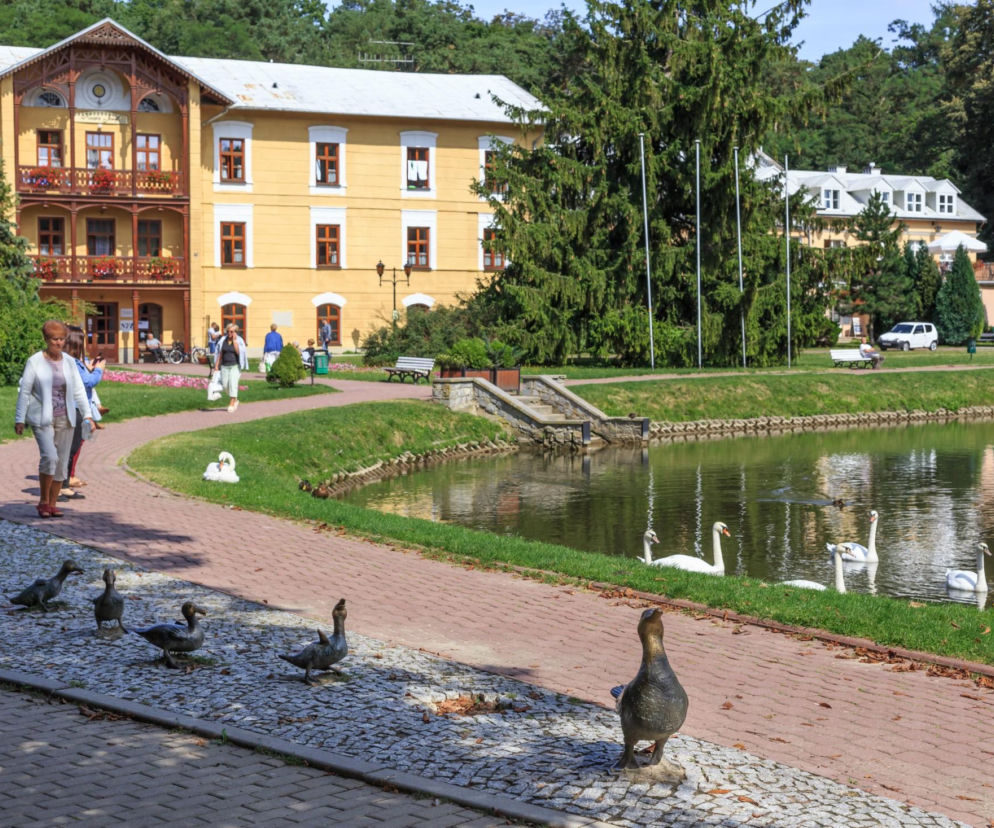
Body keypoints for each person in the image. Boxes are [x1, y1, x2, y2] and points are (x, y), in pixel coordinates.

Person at [14, 319, 95, 518]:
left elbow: (78, 391)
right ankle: (43, 501)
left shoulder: (68, 361)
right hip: (42, 417)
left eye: (61, 339)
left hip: (65, 417)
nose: (58, 343)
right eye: (54, 339)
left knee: (61, 462)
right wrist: (19, 418)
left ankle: (52, 503)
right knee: (49, 457)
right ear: (46, 339)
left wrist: (87, 415)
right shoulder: (35, 361)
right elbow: (24, 391)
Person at [61, 325, 105, 496]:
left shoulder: (66, 360)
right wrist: (99, 370)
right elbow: (87, 382)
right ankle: (62, 486)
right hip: (74, 408)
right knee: (71, 448)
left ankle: (63, 484)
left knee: (69, 449)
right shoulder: (73, 362)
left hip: (72, 407)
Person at [213, 322, 248, 412]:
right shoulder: (223, 340)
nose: (229, 333)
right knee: (225, 385)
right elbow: (220, 353)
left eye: (232, 332)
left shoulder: (239, 340)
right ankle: (235, 399)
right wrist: (217, 364)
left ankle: (232, 403)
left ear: (235, 332)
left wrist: (235, 341)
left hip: (234, 366)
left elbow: (239, 352)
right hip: (224, 365)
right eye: (228, 331)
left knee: (233, 384)